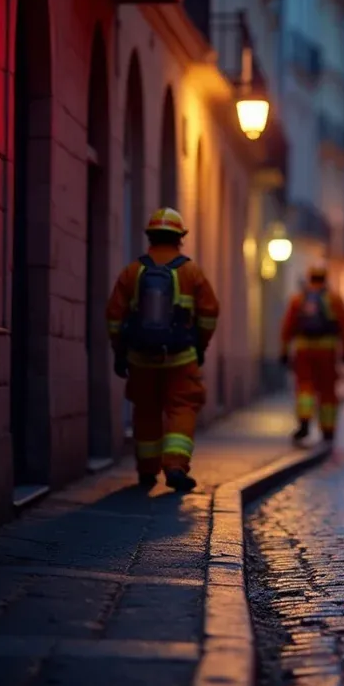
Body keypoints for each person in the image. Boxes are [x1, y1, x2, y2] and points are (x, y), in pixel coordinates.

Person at [106, 207, 219, 491]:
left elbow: (114, 317)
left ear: (150, 237)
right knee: (182, 409)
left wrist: (120, 352)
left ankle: (146, 471)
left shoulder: (132, 272)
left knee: (146, 410)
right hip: (181, 358)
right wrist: (200, 345)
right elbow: (209, 314)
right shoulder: (191, 271)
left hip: (140, 359)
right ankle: (176, 466)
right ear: (179, 237)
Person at [280, 266, 344, 443]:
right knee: (328, 390)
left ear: (309, 277)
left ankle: (304, 423)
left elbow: (287, 327)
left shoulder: (298, 300)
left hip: (303, 350)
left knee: (304, 387)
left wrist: (284, 351)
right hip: (327, 351)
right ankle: (328, 430)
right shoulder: (334, 300)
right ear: (325, 278)